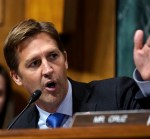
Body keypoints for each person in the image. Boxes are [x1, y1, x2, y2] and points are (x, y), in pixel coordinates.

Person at [3, 19, 150, 129]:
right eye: (35, 63)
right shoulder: (17, 128)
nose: (48, 70)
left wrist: (148, 82)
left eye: (53, 56)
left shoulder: (116, 96)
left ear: (65, 59)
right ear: (16, 77)